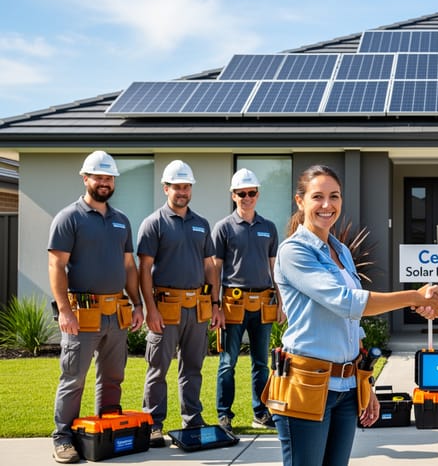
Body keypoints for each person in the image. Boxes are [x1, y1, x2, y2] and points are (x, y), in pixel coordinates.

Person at [272, 164, 438, 466]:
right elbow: (346, 302)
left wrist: (364, 383)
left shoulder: (340, 250)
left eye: (334, 196)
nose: (327, 205)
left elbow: (351, 325)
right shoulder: (294, 251)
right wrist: (414, 297)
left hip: (344, 388)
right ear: (300, 201)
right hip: (305, 385)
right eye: (318, 197)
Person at [48, 151, 144, 463]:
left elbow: (129, 267)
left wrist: (137, 304)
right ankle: (63, 437)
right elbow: (56, 265)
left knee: (113, 375)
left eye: (109, 177)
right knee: (74, 377)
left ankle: (107, 429)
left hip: (116, 312)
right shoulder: (69, 218)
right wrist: (64, 310)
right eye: (98, 177)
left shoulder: (121, 221)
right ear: (85, 178)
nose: (104, 182)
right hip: (82, 314)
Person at [138, 159, 224, 447]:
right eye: (177, 186)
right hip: (165, 307)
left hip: (197, 308)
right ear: (166, 188)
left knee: (193, 368)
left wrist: (214, 303)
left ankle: (193, 419)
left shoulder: (201, 224)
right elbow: (143, 269)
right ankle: (153, 423)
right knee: (158, 368)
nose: (182, 191)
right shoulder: (154, 224)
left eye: (186, 186)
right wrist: (150, 308)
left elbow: (209, 265)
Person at [213, 168, 282, 432]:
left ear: (258, 195)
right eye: (241, 193)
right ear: (233, 195)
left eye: (251, 193)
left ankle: (260, 412)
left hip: (264, 301)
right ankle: (223, 414)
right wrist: (215, 305)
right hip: (233, 301)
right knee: (227, 362)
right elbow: (215, 269)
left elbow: (274, 267)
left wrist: (281, 304)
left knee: (261, 363)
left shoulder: (269, 228)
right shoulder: (223, 228)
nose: (247, 197)